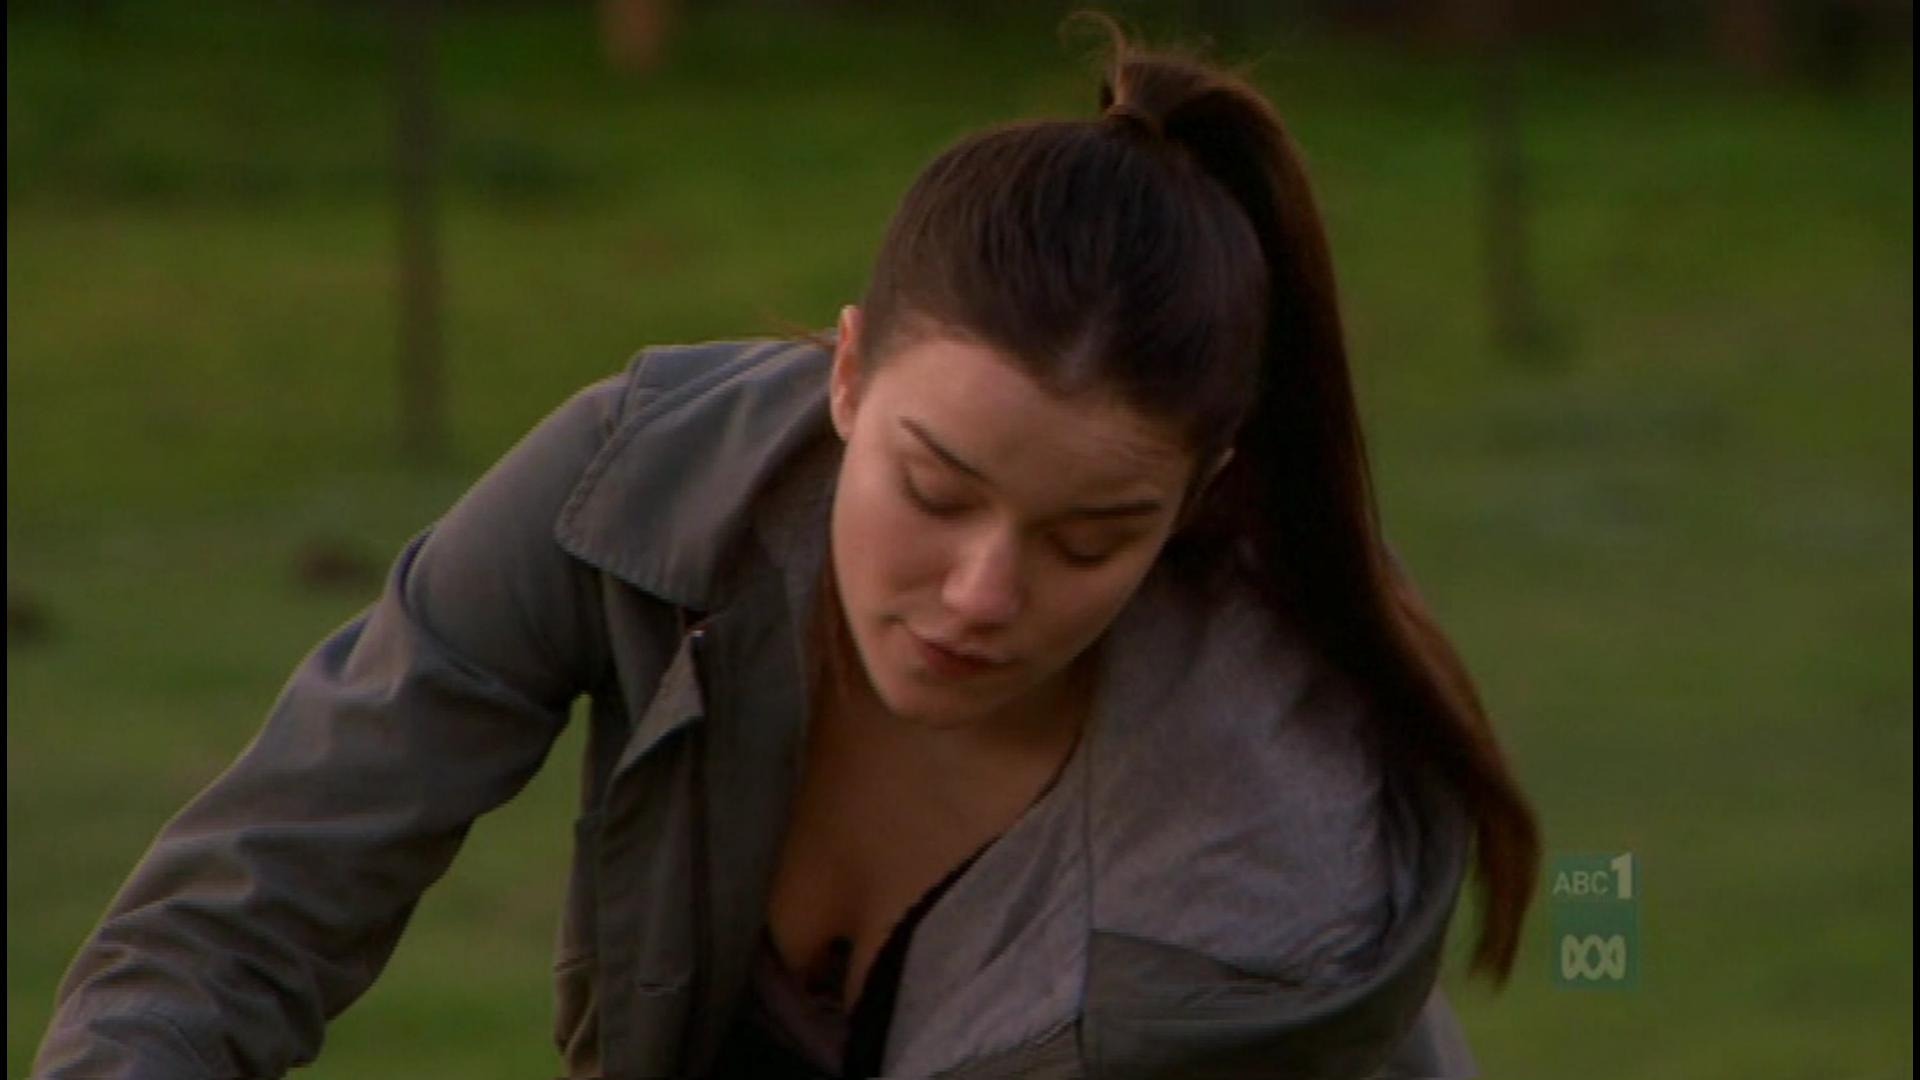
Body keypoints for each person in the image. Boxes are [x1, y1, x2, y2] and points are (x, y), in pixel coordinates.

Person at [34, 22, 1540, 1080]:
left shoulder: (1262, 883)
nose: (982, 594)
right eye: (934, 489)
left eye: (1089, 539)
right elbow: (242, 917)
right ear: (847, 374)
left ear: (1204, 497)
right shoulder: (641, 486)